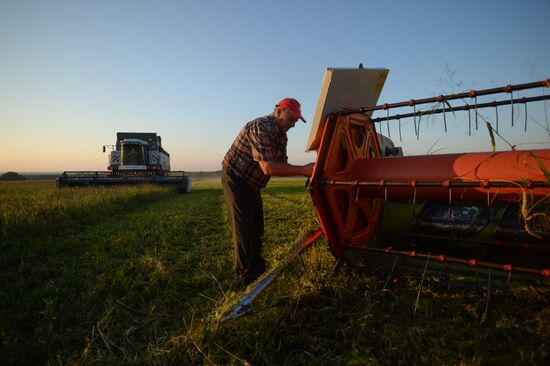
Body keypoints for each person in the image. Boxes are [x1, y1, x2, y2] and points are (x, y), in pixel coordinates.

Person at [222, 98, 315, 288]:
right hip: (236, 178)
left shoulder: (282, 135)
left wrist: (309, 173)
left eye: (296, 122)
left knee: (257, 227)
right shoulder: (260, 127)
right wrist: (303, 169)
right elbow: (269, 167)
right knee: (244, 229)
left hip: (253, 183)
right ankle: (244, 279)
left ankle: (257, 268)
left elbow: (283, 165)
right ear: (279, 112)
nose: (293, 125)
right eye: (291, 120)